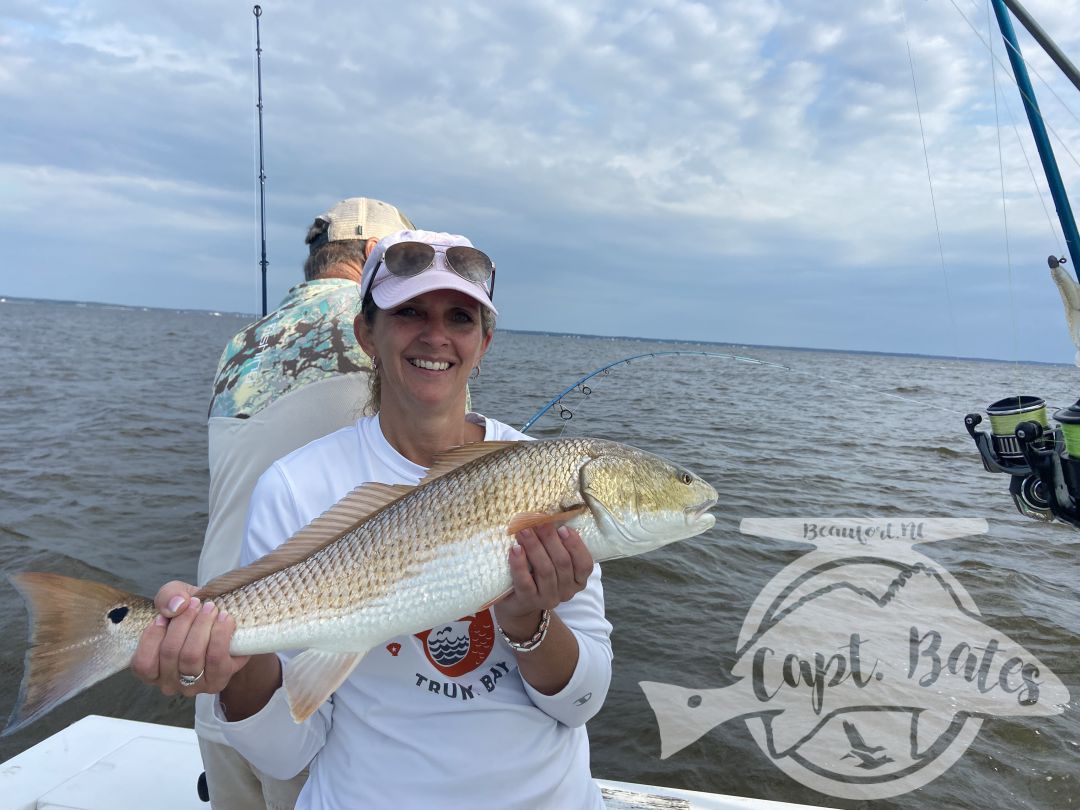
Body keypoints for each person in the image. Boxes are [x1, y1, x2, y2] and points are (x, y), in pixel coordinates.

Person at [134, 229, 613, 809]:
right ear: (367, 333)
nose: (436, 336)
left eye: (460, 318)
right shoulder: (296, 486)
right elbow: (287, 754)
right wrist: (235, 663)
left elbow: (582, 704)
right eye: (409, 312)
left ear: (484, 342)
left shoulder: (543, 476)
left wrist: (527, 620)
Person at [196, 197, 415, 809]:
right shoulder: (386, 337)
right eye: (404, 262)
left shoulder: (240, 342)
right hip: (300, 670)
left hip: (213, 647)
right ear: (374, 258)